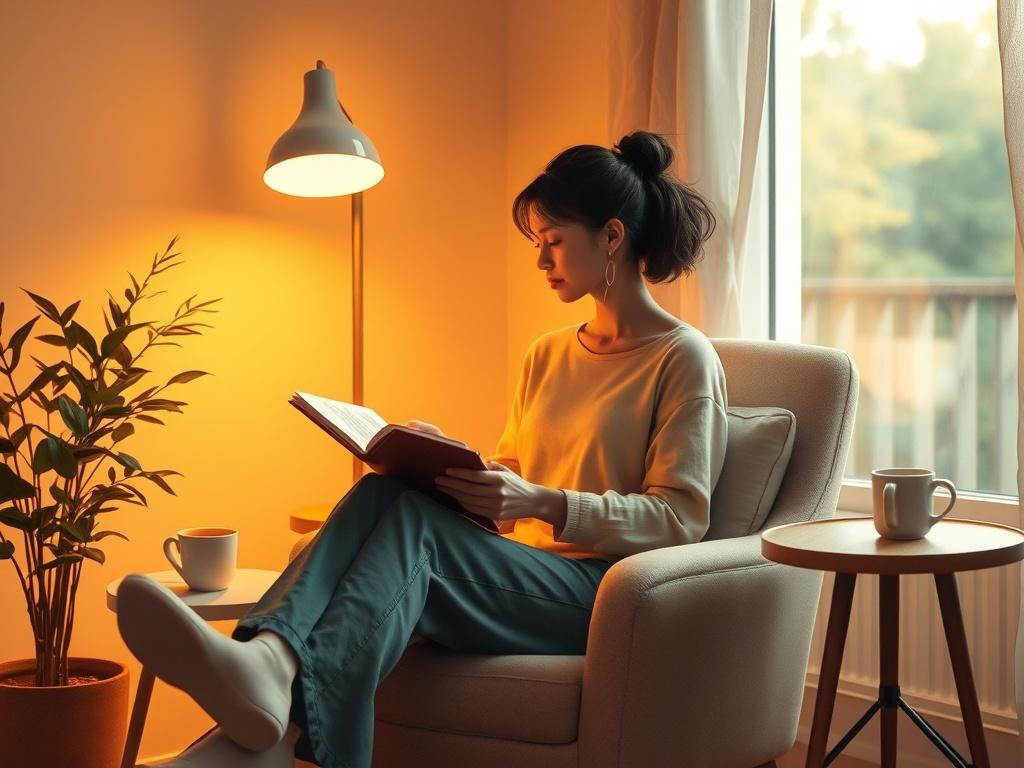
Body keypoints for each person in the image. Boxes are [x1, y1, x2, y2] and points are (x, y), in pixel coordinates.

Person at [115, 129, 729, 768]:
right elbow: (511, 485)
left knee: (414, 530)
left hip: (603, 594)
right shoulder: (546, 354)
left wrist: (545, 502)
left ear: (611, 237)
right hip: (525, 570)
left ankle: (268, 711)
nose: (541, 261)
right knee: (388, 490)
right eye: (537, 245)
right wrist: (447, 461)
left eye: (553, 242)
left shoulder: (682, 359)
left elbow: (681, 519)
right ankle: (269, 668)